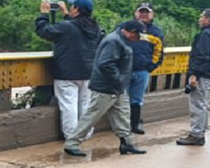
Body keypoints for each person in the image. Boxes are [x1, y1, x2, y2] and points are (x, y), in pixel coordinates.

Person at [63, 20, 147, 157]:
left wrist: (120, 83)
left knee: (123, 115)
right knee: (92, 116)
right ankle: (71, 143)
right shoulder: (114, 41)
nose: (138, 39)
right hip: (106, 87)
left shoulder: (120, 40)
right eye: (138, 35)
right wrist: (118, 80)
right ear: (131, 32)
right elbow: (106, 64)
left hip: (117, 87)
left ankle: (127, 143)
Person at [35, 0, 103, 139]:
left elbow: (44, 31)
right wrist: (66, 13)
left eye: (72, 7)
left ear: (77, 9)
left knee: (68, 105)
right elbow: (76, 27)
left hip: (67, 73)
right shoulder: (95, 27)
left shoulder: (67, 27)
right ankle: (85, 134)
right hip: (89, 72)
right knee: (86, 104)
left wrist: (44, 14)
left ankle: (72, 136)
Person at [177, 9, 210, 147]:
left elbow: (200, 56)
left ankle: (196, 135)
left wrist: (194, 74)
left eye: (201, 17)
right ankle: (200, 132)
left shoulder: (206, 34)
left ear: (207, 19)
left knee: (198, 106)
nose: (199, 19)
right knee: (204, 105)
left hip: (203, 76)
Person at [124, 2, 165, 134]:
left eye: (147, 12)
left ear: (152, 14)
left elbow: (159, 53)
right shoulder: (124, 28)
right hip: (124, 71)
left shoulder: (156, 32)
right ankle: (121, 125)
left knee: (137, 100)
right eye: (141, 11)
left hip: (142, 71)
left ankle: (135, 124)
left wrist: (150, 67)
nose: (144, 14)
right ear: (136, 13)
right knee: (121, 99)